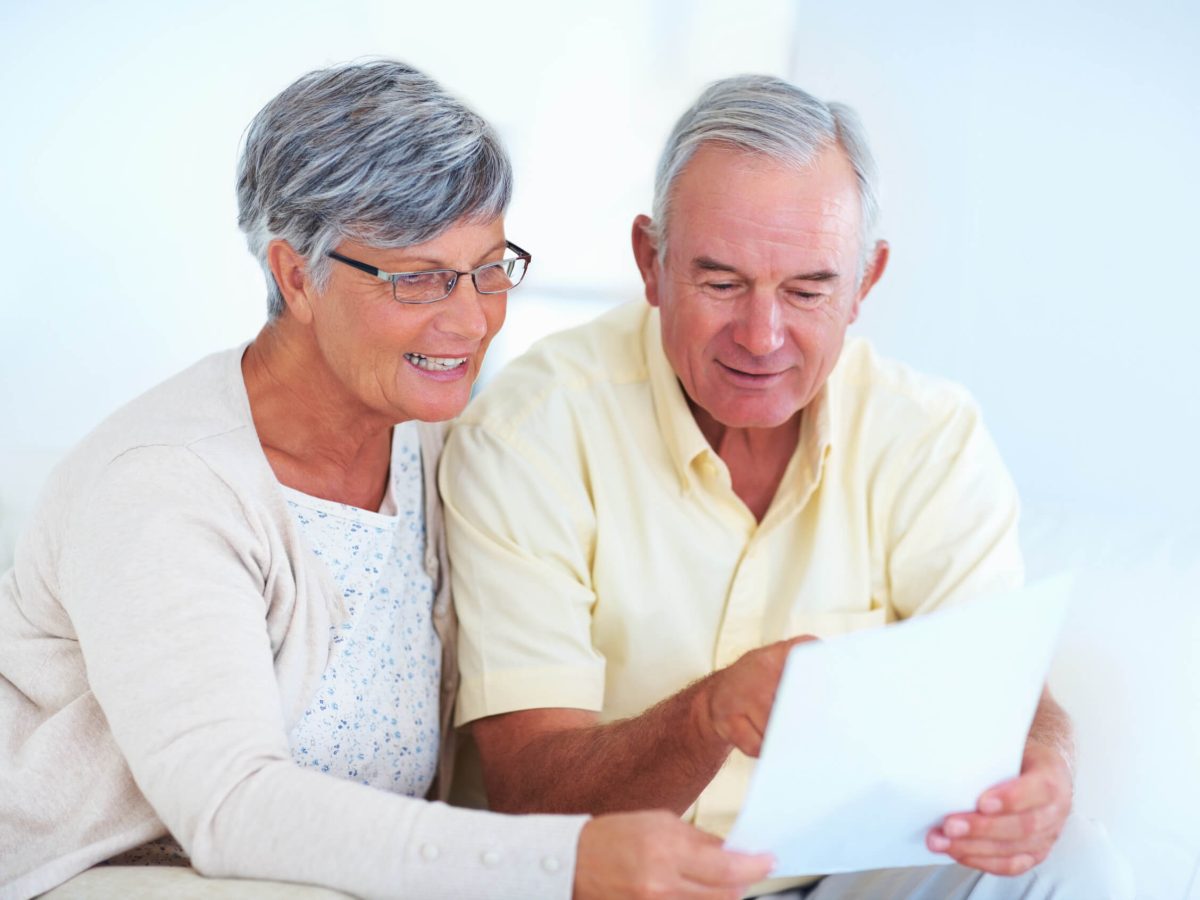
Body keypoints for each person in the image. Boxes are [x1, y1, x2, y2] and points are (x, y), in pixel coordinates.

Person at [0, 60, 775, 900]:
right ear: (296, 276)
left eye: (487, 268)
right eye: (419, 279)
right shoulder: (163, 489)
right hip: (116, 881)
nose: (471, 318)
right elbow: (230, 806)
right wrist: (563, 861)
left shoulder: (437, 455)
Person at [441, 75, 1134, 897]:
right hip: (615, 885)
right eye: (722, 282)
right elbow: (533, 803)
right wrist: (705, 718)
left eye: (808, 289)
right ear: (651, 262)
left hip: (839, 876)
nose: (763, 336)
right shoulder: (530, 433)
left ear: (864, 283)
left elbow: (1007, 695)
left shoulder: (928, 434)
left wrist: (1045, 771)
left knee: (1074, 861)